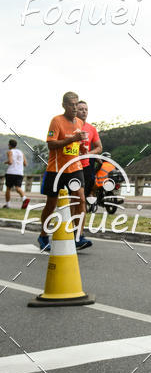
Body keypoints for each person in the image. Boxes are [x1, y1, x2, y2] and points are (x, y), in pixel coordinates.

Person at [37, 91, 92, 252]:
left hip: (75, 168)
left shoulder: (80, 123)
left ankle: (78, 236)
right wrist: (72, 140)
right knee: (51, 204)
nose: (75, 108)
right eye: (71, 105)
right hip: (56, 170)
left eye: (76, 105)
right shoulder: (56, 121)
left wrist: (81, 146)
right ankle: (43, 235)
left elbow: (77, 145)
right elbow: (51, 145)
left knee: (81, 200)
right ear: (64, 105)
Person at [76, 100, 102, 201]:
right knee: (74, 194)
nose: (84, 111)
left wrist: (89, 154)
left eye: (86, 109)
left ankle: (82, 214)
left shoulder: (91, 128)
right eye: (81, 109)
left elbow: (99, 147)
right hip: (71, 165)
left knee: (83, 195)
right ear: (75, 111)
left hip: (86, 165)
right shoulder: (69, 126)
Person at [3, 139, 29, 209]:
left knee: (8, 188)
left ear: (9, 145)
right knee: (18, 188)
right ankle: (24, 198)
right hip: (19, 172)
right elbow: (25, 164)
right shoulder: (21, 152)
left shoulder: (10, 152)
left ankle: (8, 205)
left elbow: (10, 162)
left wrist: (6, 162)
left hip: (11, 172)